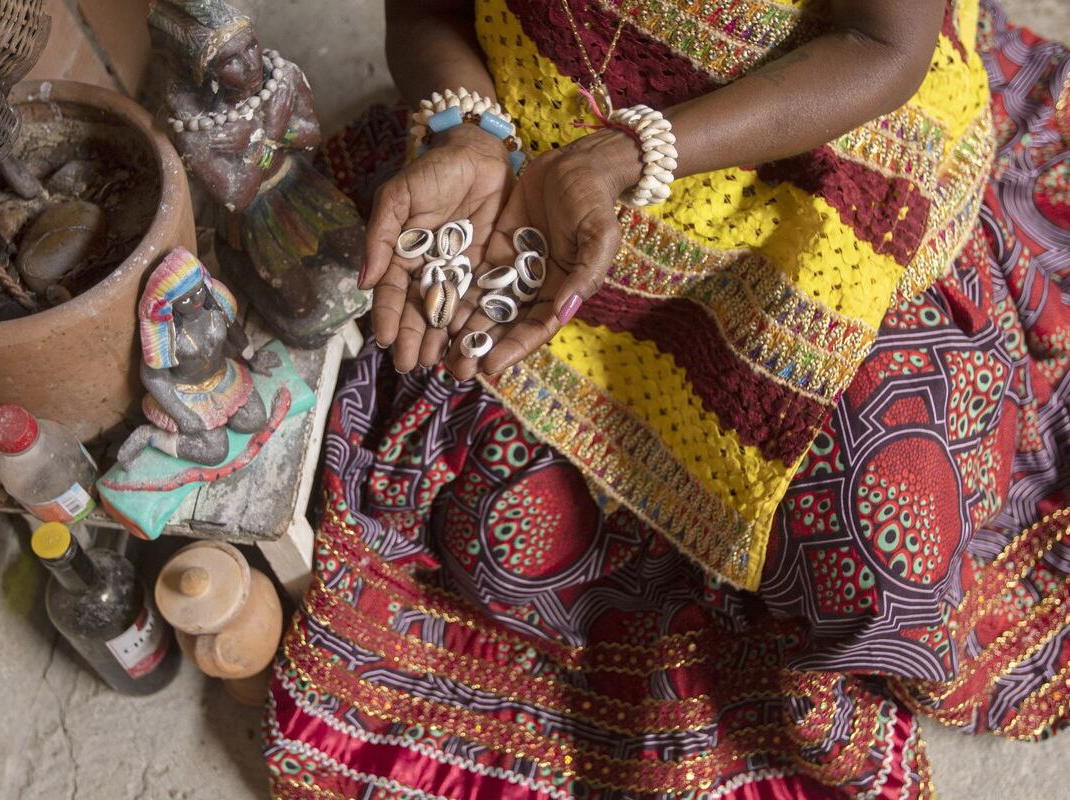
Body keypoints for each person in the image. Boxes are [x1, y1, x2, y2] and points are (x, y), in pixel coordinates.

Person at [266, 1, 1070, 797]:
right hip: (540, 180)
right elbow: (421, 15)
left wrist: (625, 154)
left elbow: (882, 45)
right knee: (496, 534)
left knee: (891, 558)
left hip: (808, 177)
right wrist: (470, 129)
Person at [147, 0, 368, 347]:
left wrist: (263, 137)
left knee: (359, 254)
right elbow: (238, 196)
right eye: (230, 61)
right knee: (301, 306)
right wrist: (267, 137)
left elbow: (311, 135)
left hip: (299, 185)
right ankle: (240, 266)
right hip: (255, 219)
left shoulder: (282, 77)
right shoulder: (197, 128)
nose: (250, 63)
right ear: (208, 75)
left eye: (251, 45)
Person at [117, 246, 278, 469]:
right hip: (188, 395)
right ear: (169, 305)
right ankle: (150, 436)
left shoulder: (216, 308)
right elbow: (153, 376)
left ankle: (221, 418)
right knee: (215, 452)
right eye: (185, 300)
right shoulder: (166, 334)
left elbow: (235, 331)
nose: (195, 301)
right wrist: (180, 413)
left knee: (255, 419)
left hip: (223, 378)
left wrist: (253, 357)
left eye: (198, 291)